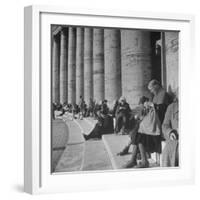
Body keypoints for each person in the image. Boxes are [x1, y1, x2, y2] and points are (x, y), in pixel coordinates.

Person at [162, 89, 179, 167]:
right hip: (175, 139)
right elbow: (165, 125)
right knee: (167, 153)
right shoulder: (172, 107)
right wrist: (170, 132)